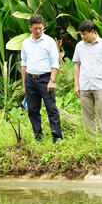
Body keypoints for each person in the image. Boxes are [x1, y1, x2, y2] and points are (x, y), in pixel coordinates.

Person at [21, 14, 63, 143]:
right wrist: (24, 84)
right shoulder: (26, 43)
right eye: (35, 28)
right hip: (30, 79)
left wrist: (52, 80)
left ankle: (57, 138)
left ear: (43, 27)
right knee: (33, 110)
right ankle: (38, 137)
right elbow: (24, 64)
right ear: (30, 28)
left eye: (40, 28)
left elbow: (55, 62)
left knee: (51, 109)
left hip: (45, 79)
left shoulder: (49, 41)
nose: (38, 31)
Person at [73, 20, 102, 141]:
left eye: (84, 33)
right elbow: (77, 65)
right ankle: (92, 139)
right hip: (85, 84)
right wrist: (76, 84)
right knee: (87, 114)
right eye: (81, 34)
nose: (82, 36)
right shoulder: (79, 46)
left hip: (100, 84)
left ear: (92, 32)